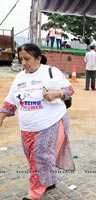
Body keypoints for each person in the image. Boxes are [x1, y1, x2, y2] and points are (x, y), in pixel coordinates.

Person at [0, 43, 75, 200]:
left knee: (41, 156)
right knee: (33, 157)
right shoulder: (19, 77)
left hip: (51, 122)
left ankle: (34, 192)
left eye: (27, 58)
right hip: (27, 127)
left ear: (38, 58)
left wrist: (57, 93)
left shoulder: (51, 71)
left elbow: (69, 90)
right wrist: (1, 116)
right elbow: (10, 101)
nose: (24, 63)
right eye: (21, 59)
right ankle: (49, 181)